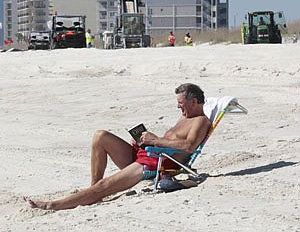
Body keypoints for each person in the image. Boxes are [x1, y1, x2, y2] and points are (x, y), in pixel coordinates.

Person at [26, 83, 211, 210]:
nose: (178, 107)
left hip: (156, 164)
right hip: (147, 153)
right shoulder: (185, 117)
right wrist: (144, 141)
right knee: (101, 136)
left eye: (180, 103)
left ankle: (52, 205)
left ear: (193, 101)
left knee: (105, 185)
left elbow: (188, 146)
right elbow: (172, 141)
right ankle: (93, 191)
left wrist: (155, 140)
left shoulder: (200, 121)